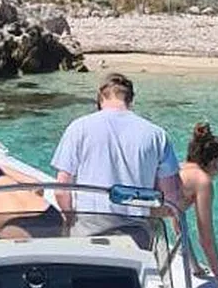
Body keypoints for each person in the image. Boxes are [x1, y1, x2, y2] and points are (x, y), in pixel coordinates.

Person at [51, 72, 180, 244]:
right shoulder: (157, 135)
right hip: (137, 234)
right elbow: (170, 198)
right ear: (130, 100)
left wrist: (70, 219)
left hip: (89, 229)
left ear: (100, 98)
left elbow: (61, 191)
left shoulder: (78, 128)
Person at [179, 124, 218, 288]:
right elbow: (206, 238)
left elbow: (177, 222)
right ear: (215, 162)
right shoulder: (202, 181)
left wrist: (194, 266)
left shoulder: (181, 168)